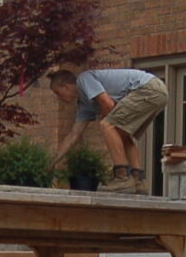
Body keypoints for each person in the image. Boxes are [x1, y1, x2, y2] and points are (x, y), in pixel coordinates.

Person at [46, 65, 167, 193]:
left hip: (148, 88)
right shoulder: (84, 104)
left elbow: (107, 104)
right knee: (121, 132)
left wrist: (108, 124)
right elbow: (73, 135)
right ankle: (138, 180)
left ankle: (122, 178)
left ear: (66, 86)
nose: (58, 97)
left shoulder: (84, 79)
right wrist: (52, 162)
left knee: (107, 124)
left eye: (57, 93)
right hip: (158, 92)